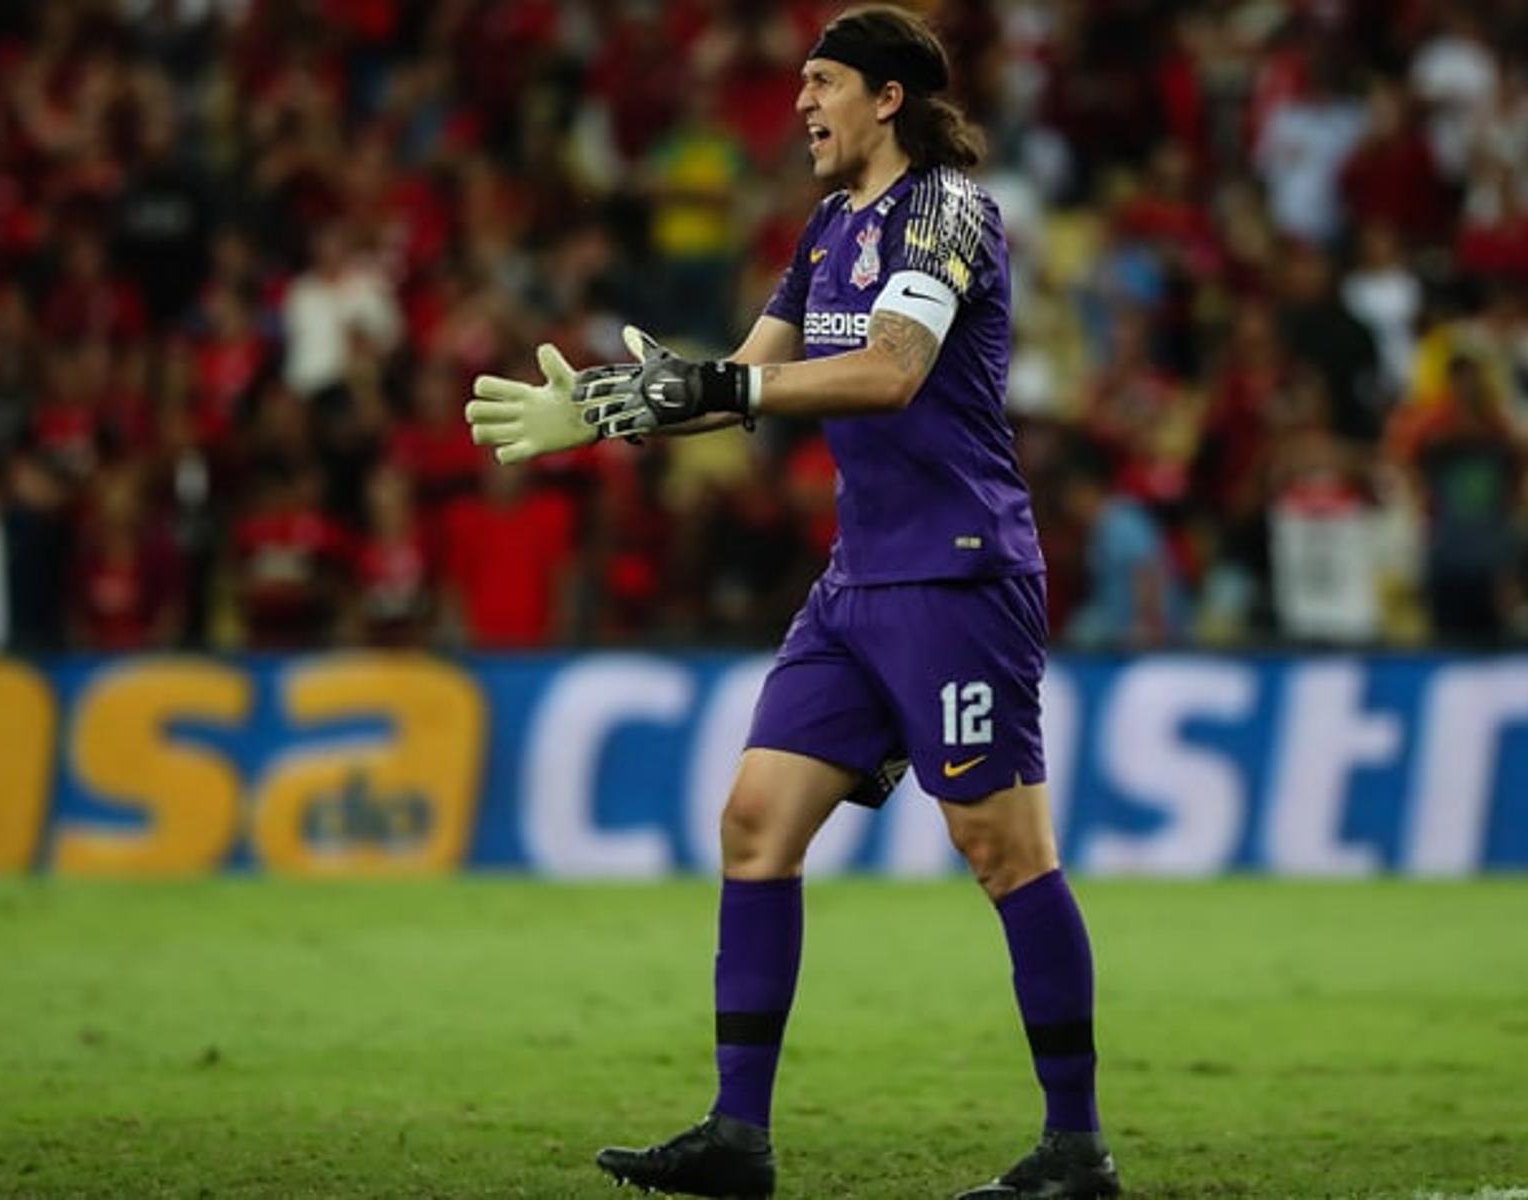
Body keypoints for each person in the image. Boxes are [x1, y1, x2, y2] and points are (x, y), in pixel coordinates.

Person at [465, 8, 1117, 1199]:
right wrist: (617, 408)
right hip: (857, 582)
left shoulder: (948, 210)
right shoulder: (829, 227)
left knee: (1001, 847)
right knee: (756, 824)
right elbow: (744, 380)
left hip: (956, 573)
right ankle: (737, 1135)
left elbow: (887, 370)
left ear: (888, 97)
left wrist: (721, 382)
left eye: (823, 83)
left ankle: (1076, 1147)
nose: (802, 104)